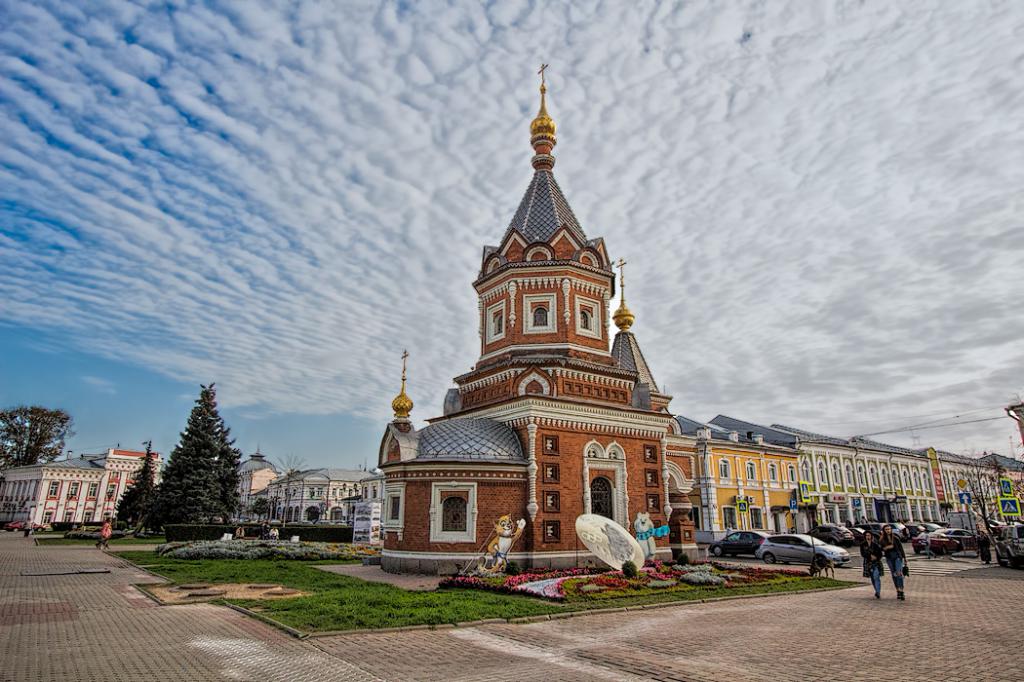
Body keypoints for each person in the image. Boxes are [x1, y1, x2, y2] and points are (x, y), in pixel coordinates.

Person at [879, 524, 908, 601]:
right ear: (884, 531)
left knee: (899, 573)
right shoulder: (882, 540)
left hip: (897, 557)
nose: (888, 531)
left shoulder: (895, 538)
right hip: (889, 558)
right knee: (894, 574)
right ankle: (898, 590)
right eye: (886, 529)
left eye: (889, 529)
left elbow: (901, 548)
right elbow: (881, 549)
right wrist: (886, 548)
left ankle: (901, 591)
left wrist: (904, 558)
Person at [860, 530, 885, 599]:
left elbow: (880, 554)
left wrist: (876, 557)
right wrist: (869, 556)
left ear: (871, 536)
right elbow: (862, 554)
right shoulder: (863, 545)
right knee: (872, 578)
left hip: (876, 562)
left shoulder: (875, 544)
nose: (868, 537)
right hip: (868, 563)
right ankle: (876, 590)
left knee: (876, 576)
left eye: (869, 535)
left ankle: (878, 592)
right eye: (866, 535)